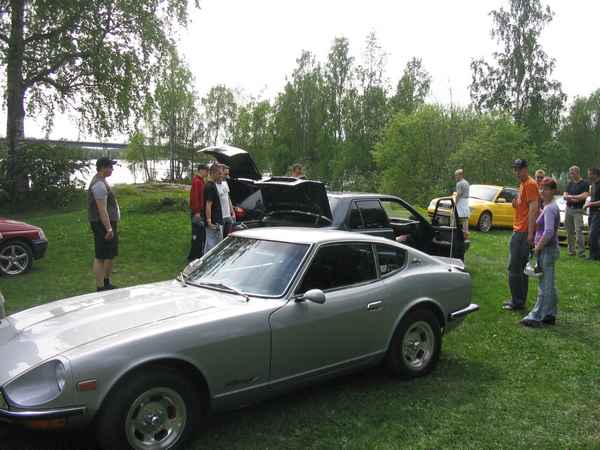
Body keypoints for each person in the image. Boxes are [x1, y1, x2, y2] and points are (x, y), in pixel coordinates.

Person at [520, 177, 560, 327]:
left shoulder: (550, 208)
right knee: (549, 283)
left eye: (546, 189)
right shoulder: (550, 206)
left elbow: (548, 231)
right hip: (549, 250)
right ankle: (550, 314)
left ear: (553, 191)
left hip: (547, 250)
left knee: (545, 286)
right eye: (541, 188)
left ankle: (536, 316)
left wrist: (538, 247)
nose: (542, 191)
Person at [503, 159, 540, 311]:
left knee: (514, 267)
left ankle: (516, 301)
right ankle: (519, 300)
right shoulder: (523, 184)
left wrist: (530, 234)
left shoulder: (530, 184)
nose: (516, 172)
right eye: (515, 169)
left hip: (522, 231)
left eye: (519, 169)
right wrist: (516, 204)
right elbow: (524, 205)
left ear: (526, 169)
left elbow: (534, 209)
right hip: (521, 229)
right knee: (522, 267)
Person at [88, 157, 120, 291]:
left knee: (109, 254)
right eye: (110, 167)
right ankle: (100, 287)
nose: (112, 169)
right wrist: (109, 229)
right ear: (102, 167)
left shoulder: (102, 181)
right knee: (101, 256)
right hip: (102, 224)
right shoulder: (99, 184)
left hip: (107, 224)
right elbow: (102, 209)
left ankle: (106, 282)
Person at [563, 166, 589, 257]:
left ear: (578, 172)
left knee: (579, 231)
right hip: (568, 209)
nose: (571, 175)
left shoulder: (584, 183)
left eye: (573, 173)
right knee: (569, 231)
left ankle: (581, 252)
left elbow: (584, 196)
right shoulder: (570, 183)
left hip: (578, 210)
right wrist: (571, 197)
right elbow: (565, 194)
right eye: (570, 173)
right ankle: (571, 251)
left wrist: (571, 197)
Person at [187, 164, 209, 262]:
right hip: (197, 212)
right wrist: (197, 212)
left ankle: (199, 254)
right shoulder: (197, 182)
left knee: (201, 235)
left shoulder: (201, 181)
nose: (207, 173)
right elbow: (195, 197)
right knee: (197, 235)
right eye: (206, 171)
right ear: (201, 170)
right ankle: (193, 256)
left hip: (200, 212)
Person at [204, 164, 224, 252]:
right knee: (213, 245)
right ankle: (210, 260)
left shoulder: (213, 185)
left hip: (216, 219)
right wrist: (209, 220)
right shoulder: (210, 186)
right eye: (219, 173)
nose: (221, 175)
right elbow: (208, 204)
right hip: (213, 221)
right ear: (213, 173)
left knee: (211, 244)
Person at [218, 165, 236, 237]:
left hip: (228, 216)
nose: (227, 176)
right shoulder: (214, 185)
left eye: (228, 174)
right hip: (220, 217)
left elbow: (228, 198)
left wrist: (232, 212)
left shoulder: (225, 183)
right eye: (226, 174)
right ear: (220, 173)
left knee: (227, 237)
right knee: (220, 238)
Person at [587, 167, 600, 261]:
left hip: (598, 212)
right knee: (594, 234)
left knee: (593, 234)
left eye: (590, 174)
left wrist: (591, 204)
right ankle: (596, 255)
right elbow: (592, 197)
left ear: (595, 174)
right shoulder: (593, 184)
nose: (588, 176)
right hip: (591, 212)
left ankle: (593, 255)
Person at [454, 169, 470, 239]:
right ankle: (465, 235)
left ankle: (455, 234)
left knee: (455, 217)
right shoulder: (466, 182)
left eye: (456, 175)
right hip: (466, 202)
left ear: (460, 175)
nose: (455, 177)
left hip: (461, 202)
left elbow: (459, 194)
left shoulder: (459, 183)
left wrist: (455, 203)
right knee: (465, 219)